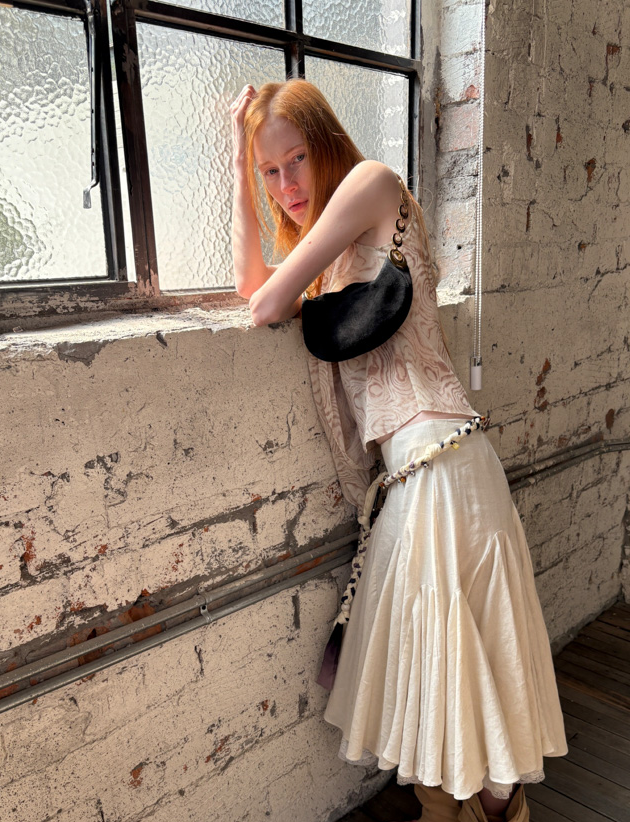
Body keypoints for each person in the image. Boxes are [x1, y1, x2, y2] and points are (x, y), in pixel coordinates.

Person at [230, 79, 569, 822]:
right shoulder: (330, 255)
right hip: (413, 475)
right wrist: (236, 163)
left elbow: (266, 304)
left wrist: (254, 168)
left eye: (295, 159)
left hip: (443, 463)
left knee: (472, 677)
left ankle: (496, 811)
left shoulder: (374, 184)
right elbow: (254, 285)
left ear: (326, 143)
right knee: (441, 681)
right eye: (268, 171)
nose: (286, 184)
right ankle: (474, 811)